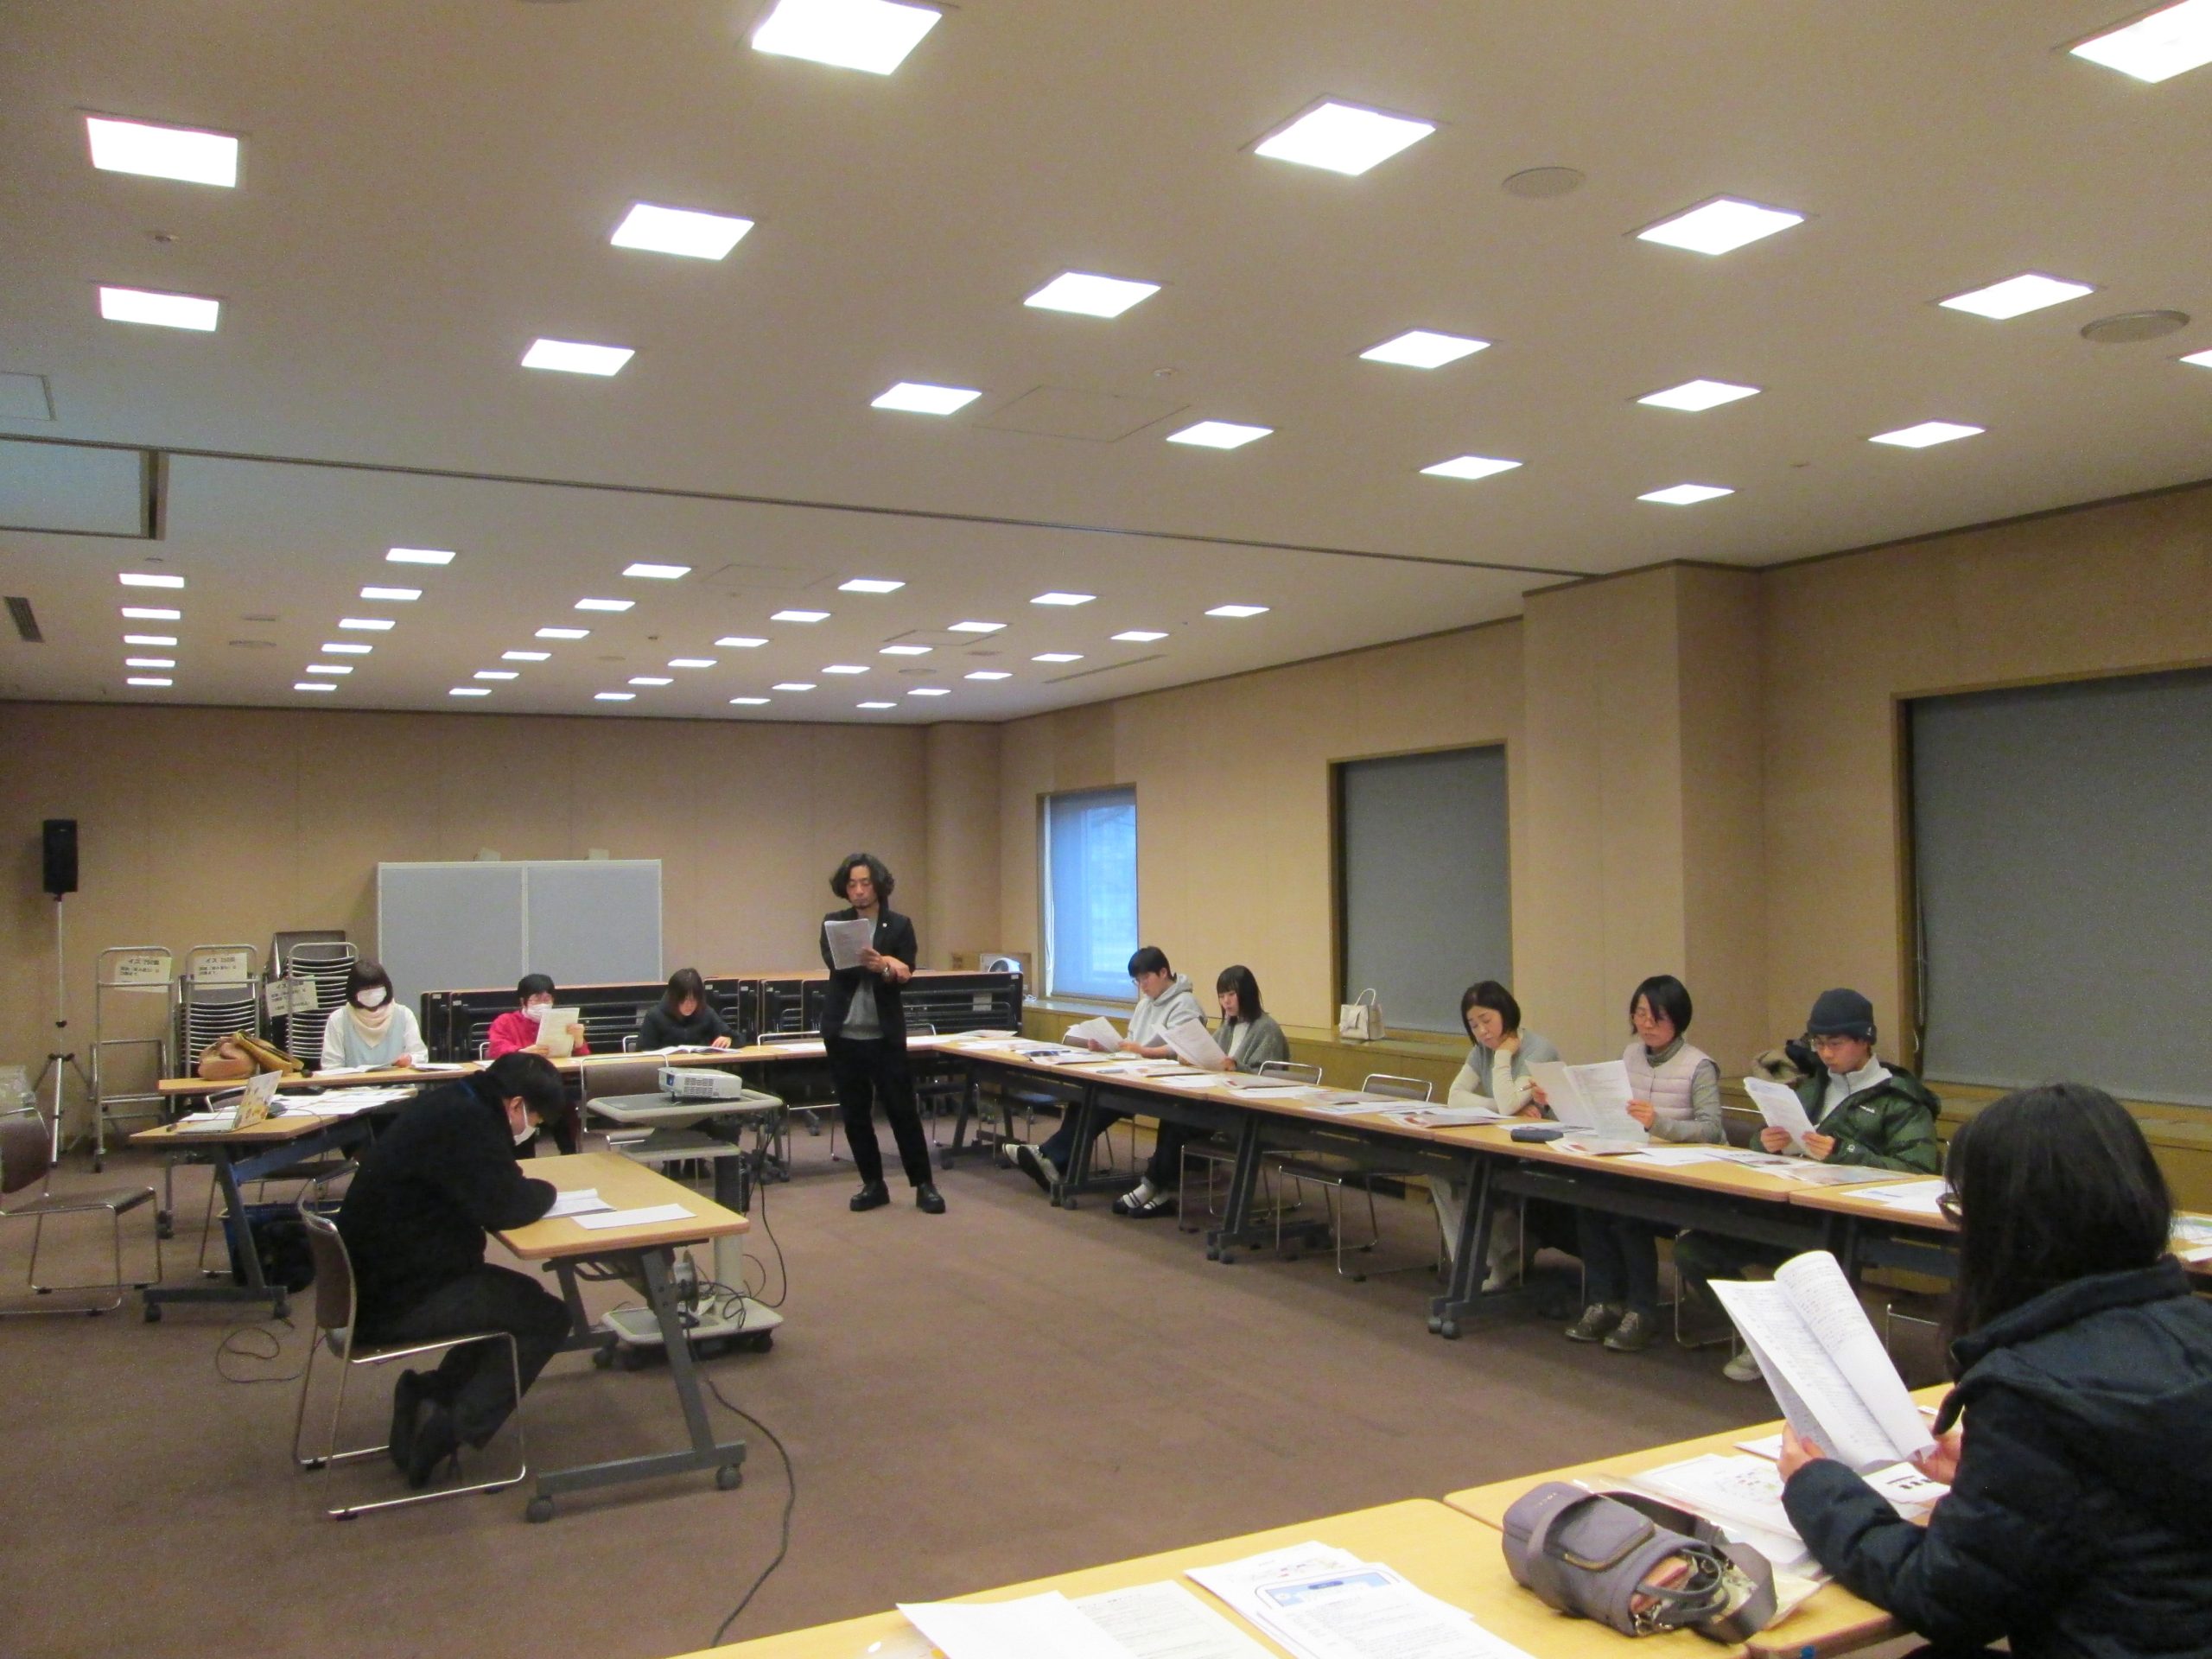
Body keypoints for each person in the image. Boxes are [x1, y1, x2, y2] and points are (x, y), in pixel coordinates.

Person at [1777, 1084, 2212, 1654]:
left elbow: (1947, 1598)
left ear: (2004, 1229)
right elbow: (2141, 1485)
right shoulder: (2194, 1326)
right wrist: (1996, 1474)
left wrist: (1818, 1491)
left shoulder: (2033, 1390)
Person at [1676, 986, 1942, 1380]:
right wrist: (1766, 1142)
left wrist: (1845, 1152)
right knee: (1694, 1250)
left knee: (1811, 1258)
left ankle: (1796, 1348)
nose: (1825, 1053)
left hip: (1846, 1222)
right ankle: (1765, 1336)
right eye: (1818, 1043)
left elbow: (1918, 1172)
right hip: (1785, 1208)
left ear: (1864, 1040)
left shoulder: (1900, 1100)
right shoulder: (1813, 1086)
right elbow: (1777, 1136)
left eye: (1835, 1043)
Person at [334, 1052, 572, 1489]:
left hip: (374, 1284)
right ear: (516, 1105)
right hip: (400, 1299)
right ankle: (445, 1432)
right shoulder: (468, 1125)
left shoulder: (453, 1102)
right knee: (547, 1317)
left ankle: (430, 1394)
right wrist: (548, 1191)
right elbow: (507, 1205)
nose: (532, 1129)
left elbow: (496, 1185)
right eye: (535, 1119)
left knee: (514, 1303)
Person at [1564, 975, 1726, 1353]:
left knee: (1629, 1213)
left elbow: (1712, 1129)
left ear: (1679, 1019)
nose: (1647, 1024)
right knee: (1587, 1203)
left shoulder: (1699, 1065)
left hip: (1682, 1177)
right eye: (1640, 1015)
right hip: (1634, 1163)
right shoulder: (1630, 1055)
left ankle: (1642, 1310)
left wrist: (1659, 1124)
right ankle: (1604, 1301)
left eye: (1658, 1017)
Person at [1010, 946, 1202, 1196]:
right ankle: (1056, 1162)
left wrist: (1144, 1051)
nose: (1142, 986)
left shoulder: (1185, 1003)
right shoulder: (1145, 1004)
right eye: (1137, 981)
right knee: (1084, 1096)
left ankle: (1049, 1156)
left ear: (1163, 973)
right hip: (1133, 1072)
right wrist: (1108, 1047)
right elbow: (1131, 1042)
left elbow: (1181, 1047)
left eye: (1146, 978)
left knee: (1100, 1101)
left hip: (1162, 1082)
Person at [1111, 963, 1289, 1219]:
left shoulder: (1266, 1029)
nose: (1226, 1002)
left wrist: (1236, 1067)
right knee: (1173, 1116)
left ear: (1247, 994)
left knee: (1179, 1122)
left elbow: (1269, 1078)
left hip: (1248, 1113)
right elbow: (1211, 1055)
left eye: (1231, 995)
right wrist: (1191, 1058)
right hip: (1221, 1104)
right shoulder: (1228, 1026)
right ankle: (1157, 1190)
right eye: (1222, 996)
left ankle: (1151, 1188)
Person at [821, 852, 944, 1215]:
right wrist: (888, 964)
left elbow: (908, 973)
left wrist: (886, 969)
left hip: (884, 1035)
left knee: (902, 1111)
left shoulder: (900, 925)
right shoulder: (834, 923)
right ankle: (873, 1184)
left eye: (865, 883)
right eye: (852, 884)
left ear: (878, 885)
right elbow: (838, 964)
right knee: (855, 1115)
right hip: (844, 1033)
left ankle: (924, 1184)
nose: (859, 890)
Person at [1431, 981, 1559, 1290]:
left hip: (1540, 1150)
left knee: (1481, 1178)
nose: (1482, 1032)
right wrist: (1502, 1107)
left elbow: (1508, 1103)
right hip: (1496, 1142)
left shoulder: (1537, 1050)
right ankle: (1476, 1261)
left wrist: (1503, 1058)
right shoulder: (1480, 1051)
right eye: (1473, 1025)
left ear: (1506, 1012)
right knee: (1440, 1172)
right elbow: (1455, 1096)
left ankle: (1508, 1256)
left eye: (1486, 1020)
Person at [320, 959, 430, 1071]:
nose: (371, 992)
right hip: (352, 1083)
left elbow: (420, 1055)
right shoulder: (338, 1019)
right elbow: (331, 1065)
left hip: (398, 1082)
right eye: (364, 989)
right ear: (353, 991)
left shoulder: (404, 1015)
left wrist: (410, 1059)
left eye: (376, 987)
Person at [485, 974, 589, 1059]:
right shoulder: (505, 1021)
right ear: (523, 1001)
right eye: (536, 999)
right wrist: (521, 1052)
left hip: (556, 1073)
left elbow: (583, 1059)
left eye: (547, 999)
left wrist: (579, 1040)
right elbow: (496, 1049)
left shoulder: (562, 1021)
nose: (542, 1004)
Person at [637, 968, 737, 1052]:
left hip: (701, 1067)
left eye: (693, 1000)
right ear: (673, 998)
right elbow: (643, 1051)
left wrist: (729, 1040)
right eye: (683, 1000)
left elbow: (739, 1038)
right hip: (667, 1067)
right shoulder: (654, 1016)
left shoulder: (706, 1013)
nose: (689, 1005)